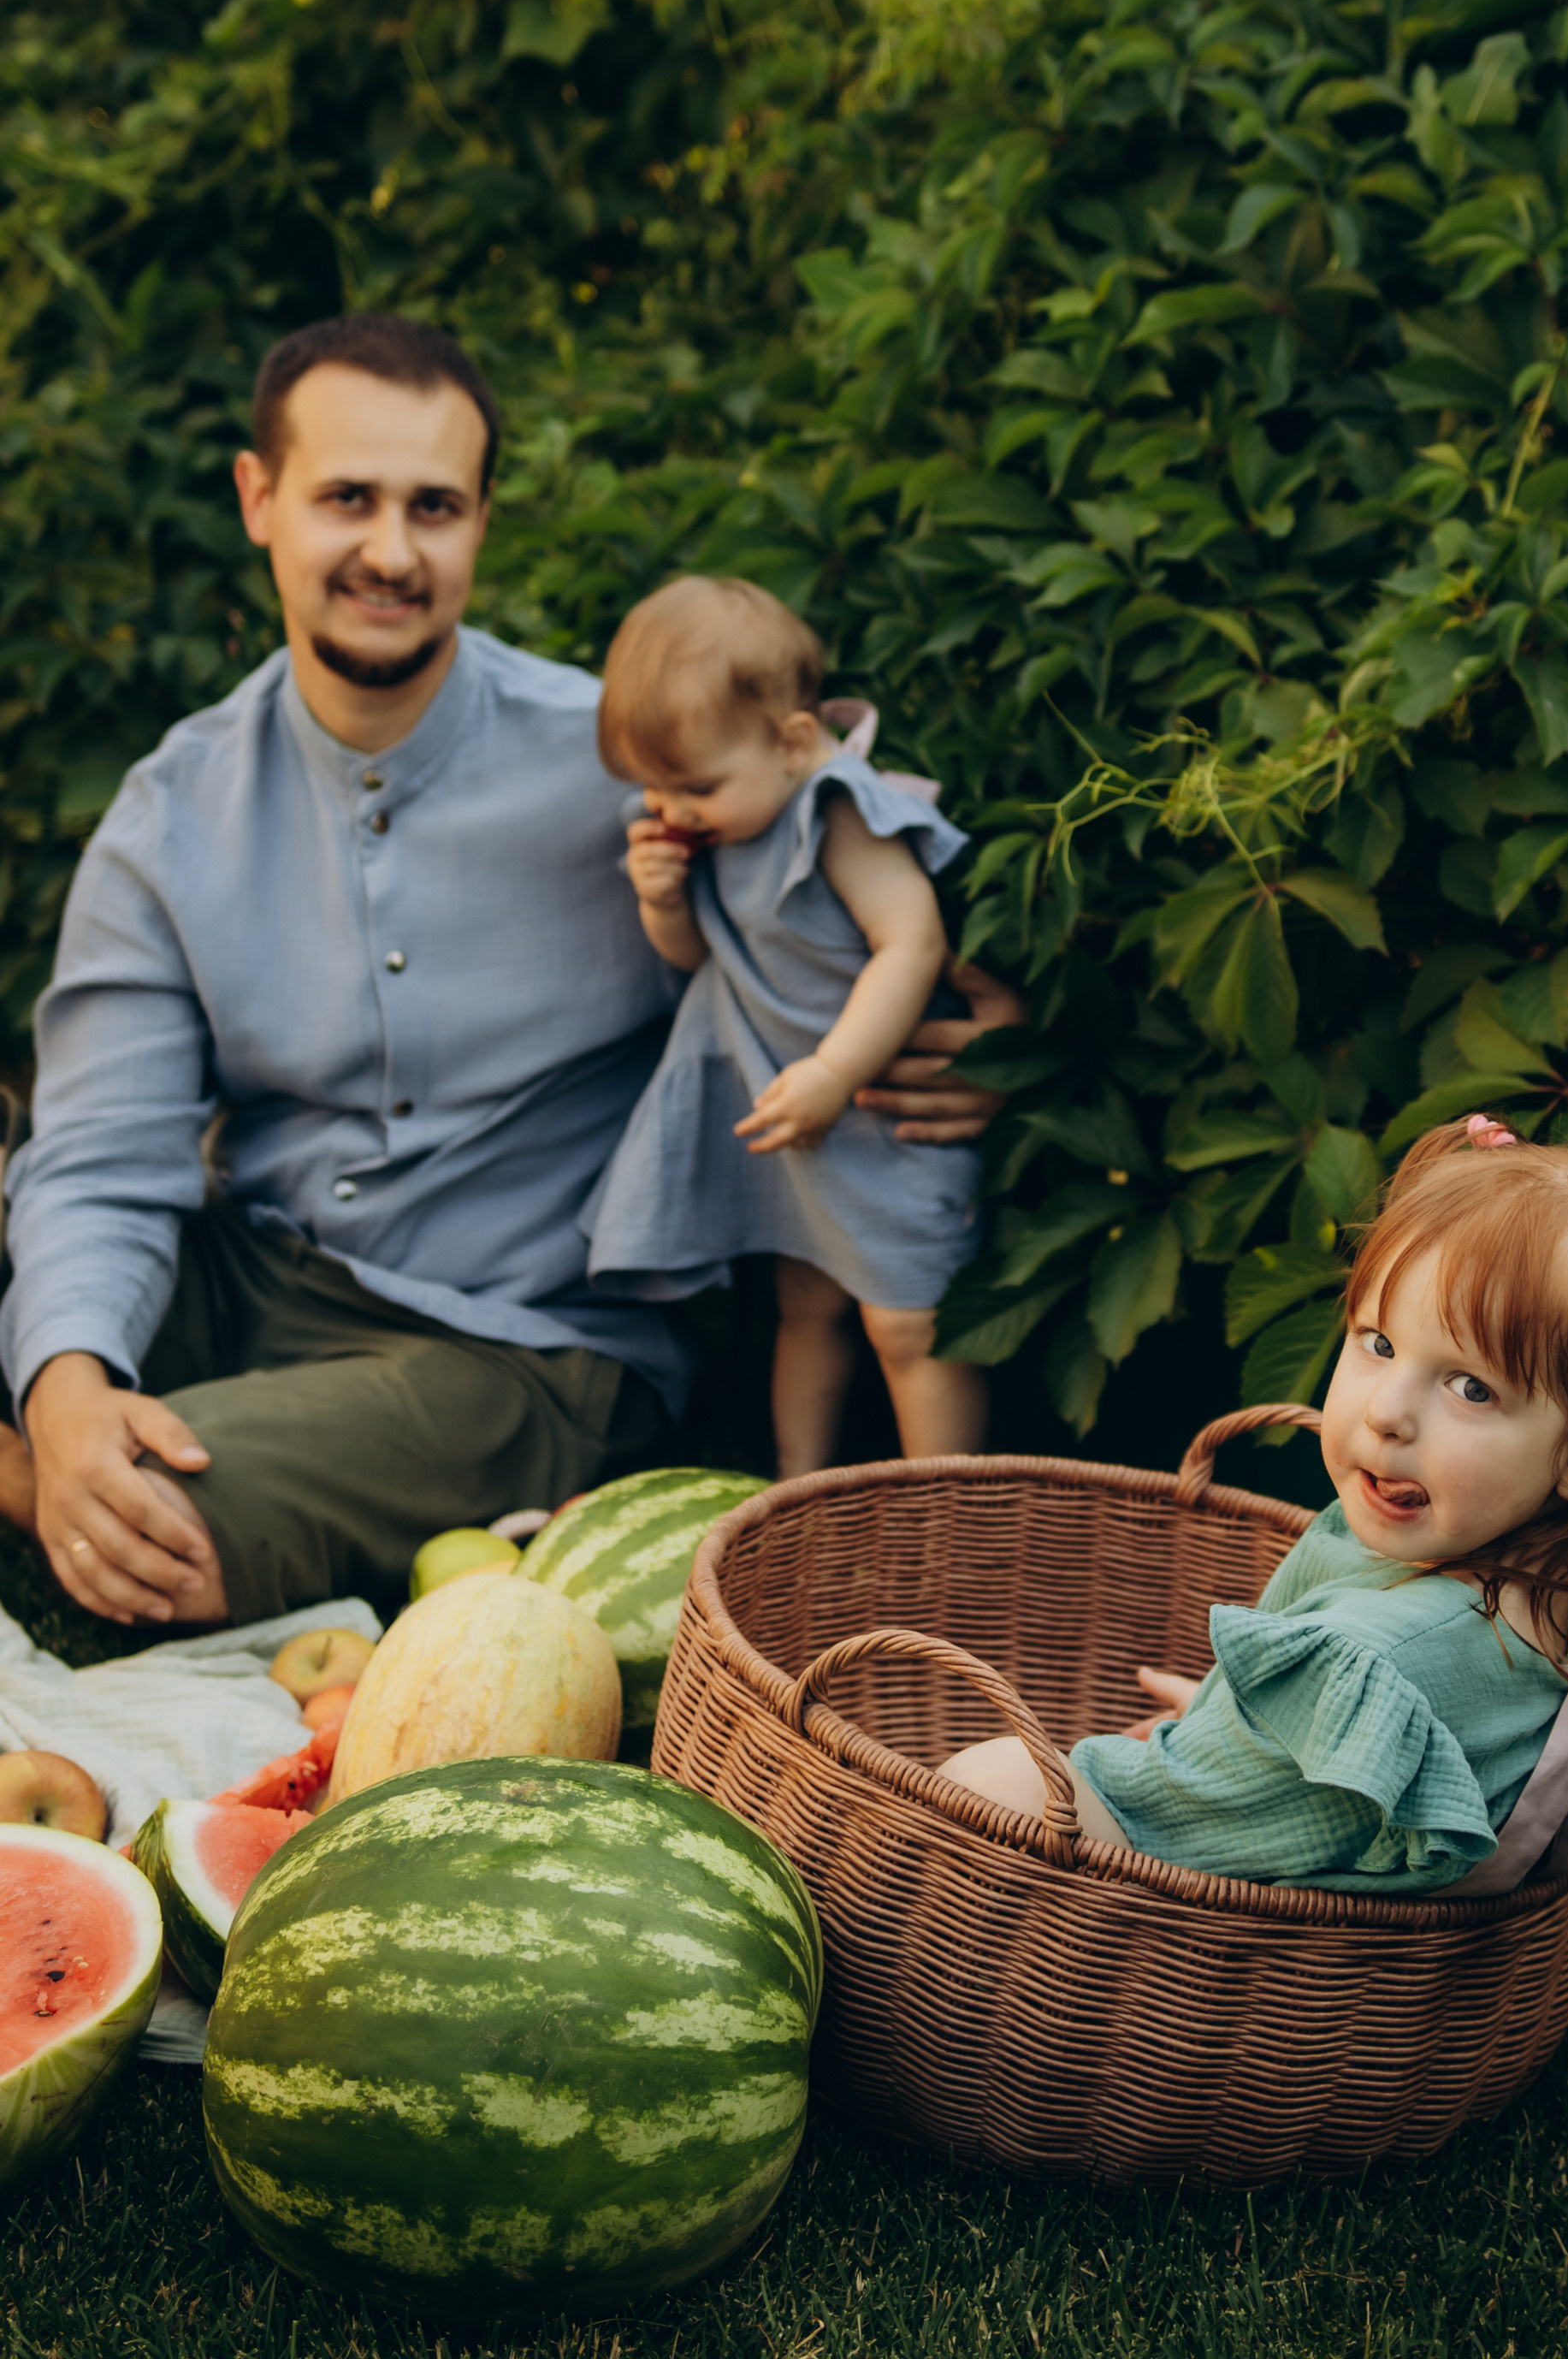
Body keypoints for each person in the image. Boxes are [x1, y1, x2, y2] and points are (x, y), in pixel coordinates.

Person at [0, 313, 1015, 1631]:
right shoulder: (174, 815)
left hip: (521, 1345)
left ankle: (69, 1484)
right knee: (65, 1333)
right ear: (259, 499)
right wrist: (67, 1383)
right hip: (255, 1270)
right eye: (347, 498)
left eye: (433, 507)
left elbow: (841, 919)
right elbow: (100, 1153)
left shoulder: (637, 769)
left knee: (165, 1522)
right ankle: (73, 1453)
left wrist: (970, 1044)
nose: (391, 551)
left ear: (482, 519)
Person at [944, 1115, 1568, 1935]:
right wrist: (1245, 1733)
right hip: (1251, 1850)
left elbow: (1181, 1823)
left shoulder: (1382, 1656)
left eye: (1471, 1388)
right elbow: (1336, 1804)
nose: (1386, 1413)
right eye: (1378, 1342)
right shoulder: (1531, 1603)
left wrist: (1176, 1763)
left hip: (1154, 1915)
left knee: (997, 1780)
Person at [579, 575, 987, 1479]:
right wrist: (662, 904)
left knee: (910, 1322)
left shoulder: (833, 812)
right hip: (798, 1117)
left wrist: (837, 1072)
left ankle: (951, 1512)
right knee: (804, 1301)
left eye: (696, 786)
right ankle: (798, 1490)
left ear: (795, 742)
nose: (672, 810)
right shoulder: (723, 825)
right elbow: (704, 957)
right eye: (654, 787)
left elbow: (911, 943)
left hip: (879, 1114)